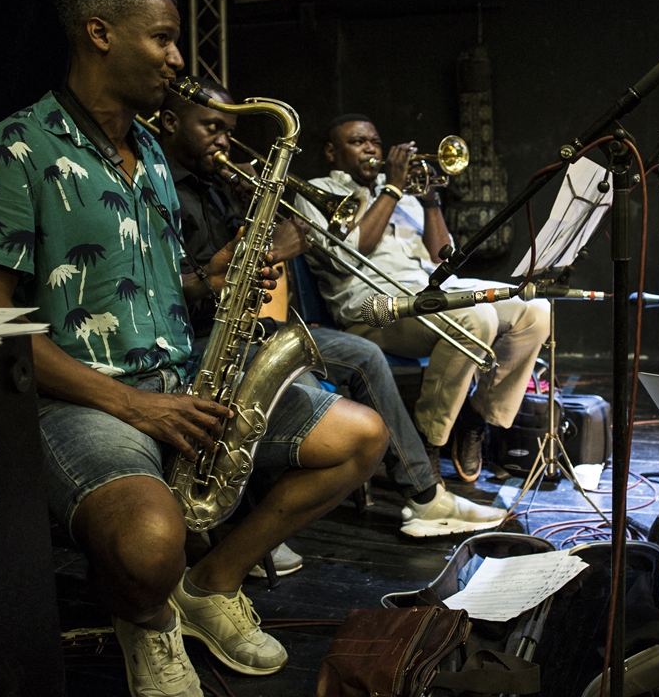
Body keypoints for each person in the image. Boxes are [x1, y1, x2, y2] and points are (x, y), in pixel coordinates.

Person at [0, 0, 387, 696]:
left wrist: (206, 281)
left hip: (182, 379)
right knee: (153, 543)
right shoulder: (14, 149)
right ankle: (148, 621)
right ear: (99, 34)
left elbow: (142, 282)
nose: (178, 58)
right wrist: (133, 406)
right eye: (162, 38)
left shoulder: (150, 149)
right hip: (76, 402)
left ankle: (210, 587)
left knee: (360, 438)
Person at [154, 79, 508, 540]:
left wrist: (254, 211)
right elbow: (173, 287)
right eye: (212, 127)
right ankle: (239, 521)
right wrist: (272, 253)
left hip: (245, 326)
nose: (223, 141)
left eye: (228, 130)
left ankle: (424, 495)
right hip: (196, 337)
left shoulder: (216, 187)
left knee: (363, 355)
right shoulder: (159, 191)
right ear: (169, 123)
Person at [295, 114, 551, 482]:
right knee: (476, 319)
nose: (370, 148)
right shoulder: (316, 192)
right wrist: (393, 191)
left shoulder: (403, 193)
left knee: (536, 310)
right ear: (332, 152)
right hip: (374, 310)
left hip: (429, 293)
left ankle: (475, 417)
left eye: (375, 141)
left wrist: (430, 202)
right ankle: (428, 438)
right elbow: (353, 253)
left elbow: (439, 255)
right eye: (357, 142)